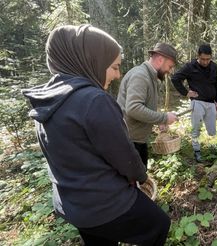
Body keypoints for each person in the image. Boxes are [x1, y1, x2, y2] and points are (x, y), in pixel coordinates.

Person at [22, 25, 170, 245]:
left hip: (73, 205)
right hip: (105, 204)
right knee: (159, 224)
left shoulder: (47, 99)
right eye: (114, 66)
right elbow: (124, 156)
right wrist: (142, 176)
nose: (118, 74)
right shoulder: (93, 100)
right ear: (91, 61)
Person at [117, 43, 178, 169]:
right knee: (134, 183)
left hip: (137, 140)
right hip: (129, 142)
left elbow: (144, 106)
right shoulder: (141, 76)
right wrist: (164, 118)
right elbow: (133, 108)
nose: (170, 70)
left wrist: (158, 121)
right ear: (160, 59)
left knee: (140, 179)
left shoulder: (150, 77)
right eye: (170, 66)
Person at [171, 44, 217, 162]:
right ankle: (197, 151)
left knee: (212, 128)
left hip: (211, 103)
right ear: (198, 56)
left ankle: (213, 148)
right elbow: (175, 78)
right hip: (197, 102)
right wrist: (186, 92)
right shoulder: (190, 66)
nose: (205, 62)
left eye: (208, 59)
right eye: (203, 59)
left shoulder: (213, 66)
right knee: (196, 128)